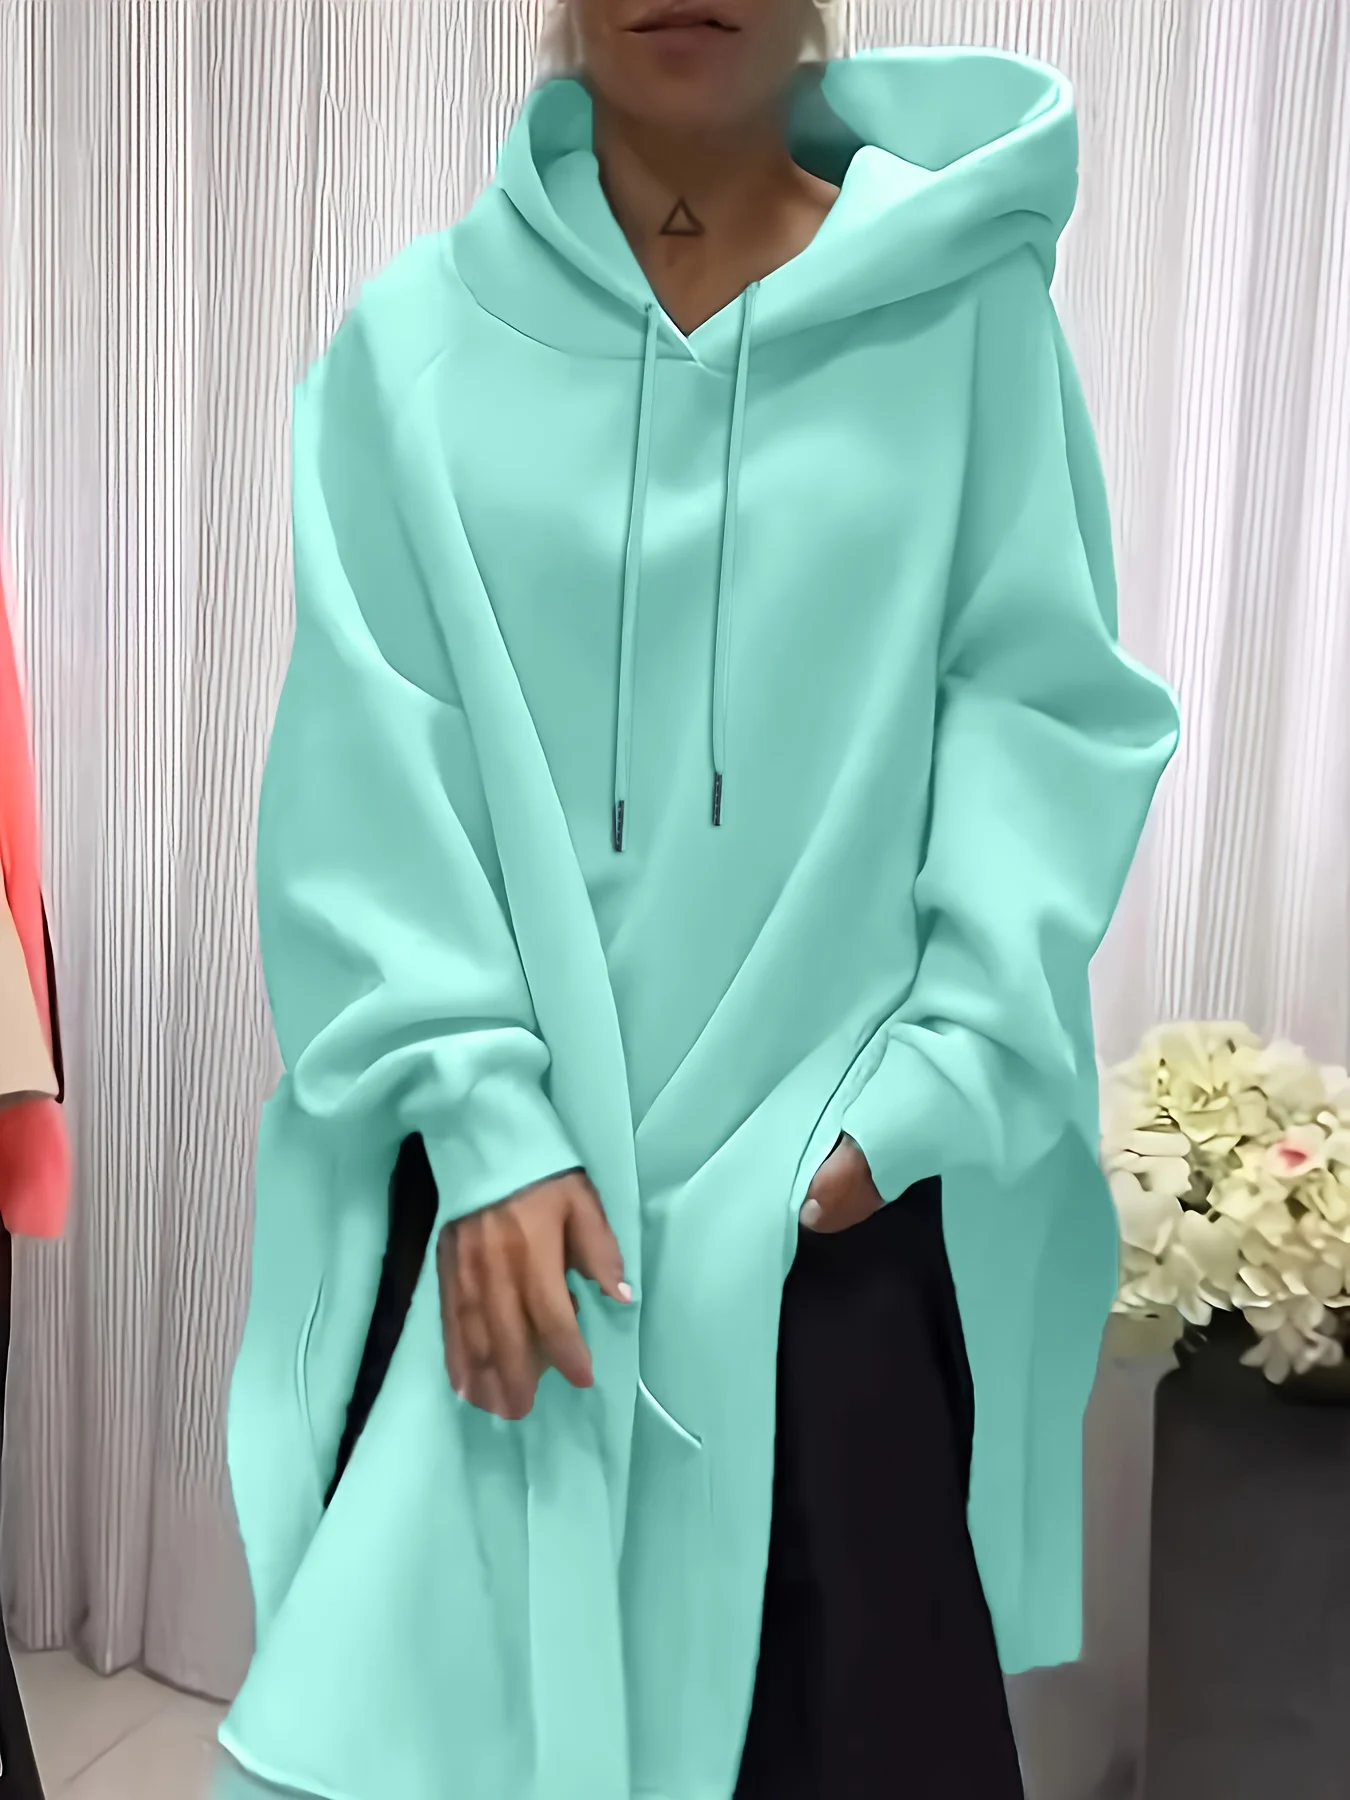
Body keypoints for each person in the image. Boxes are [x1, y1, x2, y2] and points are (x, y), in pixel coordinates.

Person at [221, 5, 1180, 1799]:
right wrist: (484, 1122)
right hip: (513, 1215)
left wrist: (934, 1079)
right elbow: (368, 768)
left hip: (828, 1211)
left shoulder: (967, 323)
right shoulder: (410, 347)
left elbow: (1042, 710)